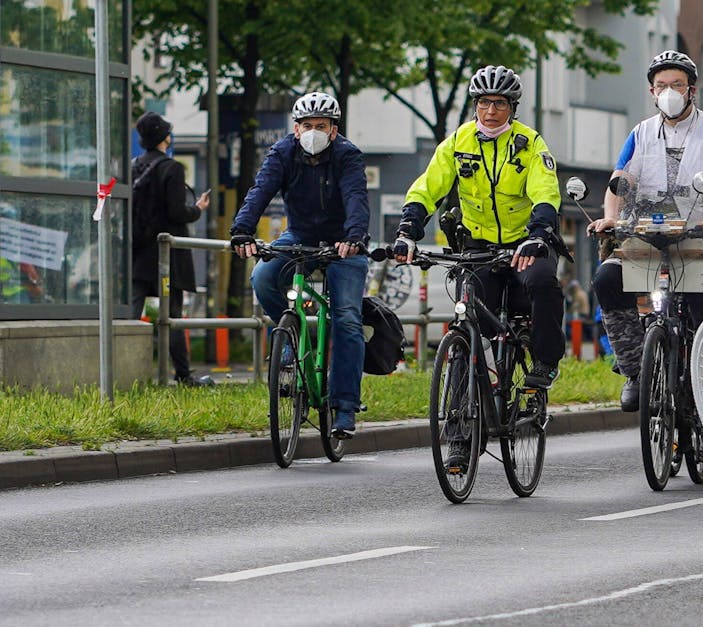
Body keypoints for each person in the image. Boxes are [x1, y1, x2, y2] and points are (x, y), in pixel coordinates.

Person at [393, 66, 566, 467]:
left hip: (526, 243)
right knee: (465, 335)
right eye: (484, 103)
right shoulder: (458, 143)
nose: (490, 111)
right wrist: (407, 231)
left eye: (499, 104)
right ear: (475, 105)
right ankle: (458, 435)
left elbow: (545, 192)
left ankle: (543, 364)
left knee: (542, 284)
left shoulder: (528, 144)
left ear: (512, 107)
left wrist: (538, 234)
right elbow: (428, 187)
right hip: (478, 248)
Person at [588, 51, 703, 411]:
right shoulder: (640, 133)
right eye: (662, 86)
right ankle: (633, 368)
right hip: (644, 236)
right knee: (606, 280)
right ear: (651, 92)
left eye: (677, 85)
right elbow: (620, 180)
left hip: (700, 239)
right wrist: (611, 217)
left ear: (691, 90)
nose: (669, 92)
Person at [229, 93, 370, 436]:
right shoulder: (283, 152)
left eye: (321, 126)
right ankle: (292, 336)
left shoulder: (347, 155)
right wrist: (242, 230)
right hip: (299, 237)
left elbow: (355, 197)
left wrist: (353, 237)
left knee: (348, 319)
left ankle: (345, 407)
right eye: (307, 126)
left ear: (334, 130)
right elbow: (260, 190)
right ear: (296, 128)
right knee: (262, 278)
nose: (313, 132)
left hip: (344, 243)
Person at [128, 112, 214, 386]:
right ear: (165, 137)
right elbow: (177, 212)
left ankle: (124, 370)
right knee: (173, 314)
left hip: (139, 250)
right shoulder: (172, 168)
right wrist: (197, 209)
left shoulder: (134, 166)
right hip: (167, 253)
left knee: (131, 311)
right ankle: (183, 374)